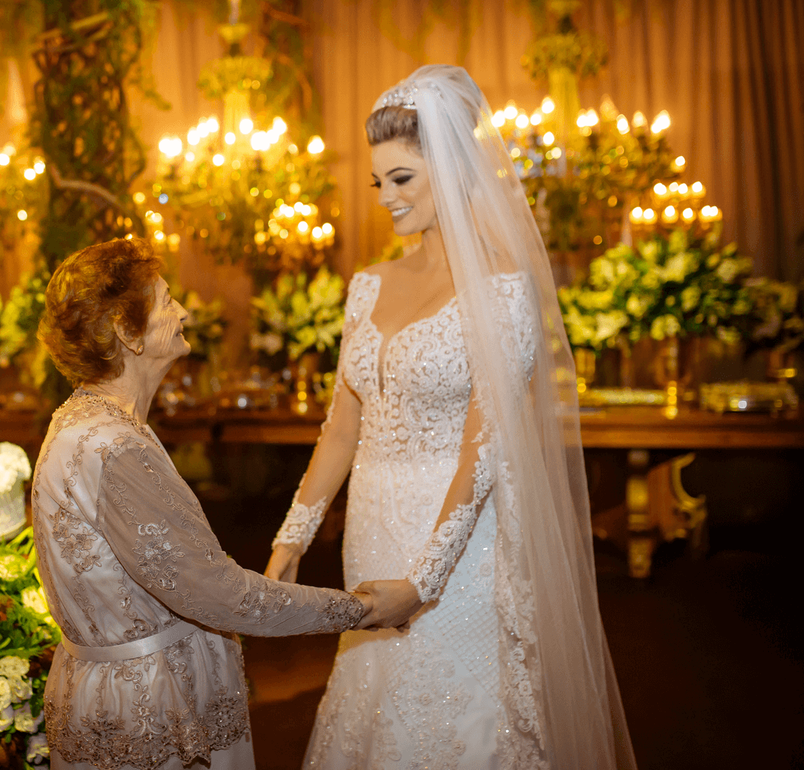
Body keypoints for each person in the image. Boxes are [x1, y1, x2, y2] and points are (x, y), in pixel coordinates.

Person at [266, 65, 637, 769]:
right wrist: (293, 537)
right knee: (370, 699)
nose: (387, 198)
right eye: (379, 183)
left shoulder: (501, 292)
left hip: (457, 542)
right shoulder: (365, 285)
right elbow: (343, 426)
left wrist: (423, 582)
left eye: (403, 178)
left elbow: (484, 447)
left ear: (454, 167)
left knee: (451, 716)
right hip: (371, 525)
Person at [32, 238, 410, 770]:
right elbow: (226, 596)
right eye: (166, 301)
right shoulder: (116, 448)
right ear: (125, 330)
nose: (183, 312)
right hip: (153, 707)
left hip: (119, 689)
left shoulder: (84, 421)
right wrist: (363, 610)